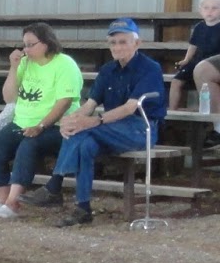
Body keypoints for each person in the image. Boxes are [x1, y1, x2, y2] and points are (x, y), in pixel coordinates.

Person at [24, 18, 165, 228]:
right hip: (110, 128)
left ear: (137, 43)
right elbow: (89, 104)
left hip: (140, 128)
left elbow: (129, 108)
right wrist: (71, 120)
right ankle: (83, 208)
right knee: (85, 144)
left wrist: (94, 121)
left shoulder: (149, 68)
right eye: (113, 42)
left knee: (84, 132)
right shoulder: (108, 70)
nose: (117, 47)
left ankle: (55, 185)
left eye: (123, 42)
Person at [0, 23, 82, 219]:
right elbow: (9, 97)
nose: (25, 49)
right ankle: (2, 200)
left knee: (29, 145)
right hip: (22, 121)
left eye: (30, 44)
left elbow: (64, 101)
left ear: (46, 43)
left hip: (57, 125)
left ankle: (12, 202)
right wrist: (13, 67)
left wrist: (41, 125)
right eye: (24, 45)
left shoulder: (64, 64)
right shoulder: (25, 63)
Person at [170, 0, 220, 112]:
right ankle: (172, 110)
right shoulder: (199, 27)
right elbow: (193, 45)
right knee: (176, 81)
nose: (210, 11)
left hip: (213, 63)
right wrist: (186, 59)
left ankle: (207, 109)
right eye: (206, 8)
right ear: (200, 10)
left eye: (214, 8)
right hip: (197, 60)